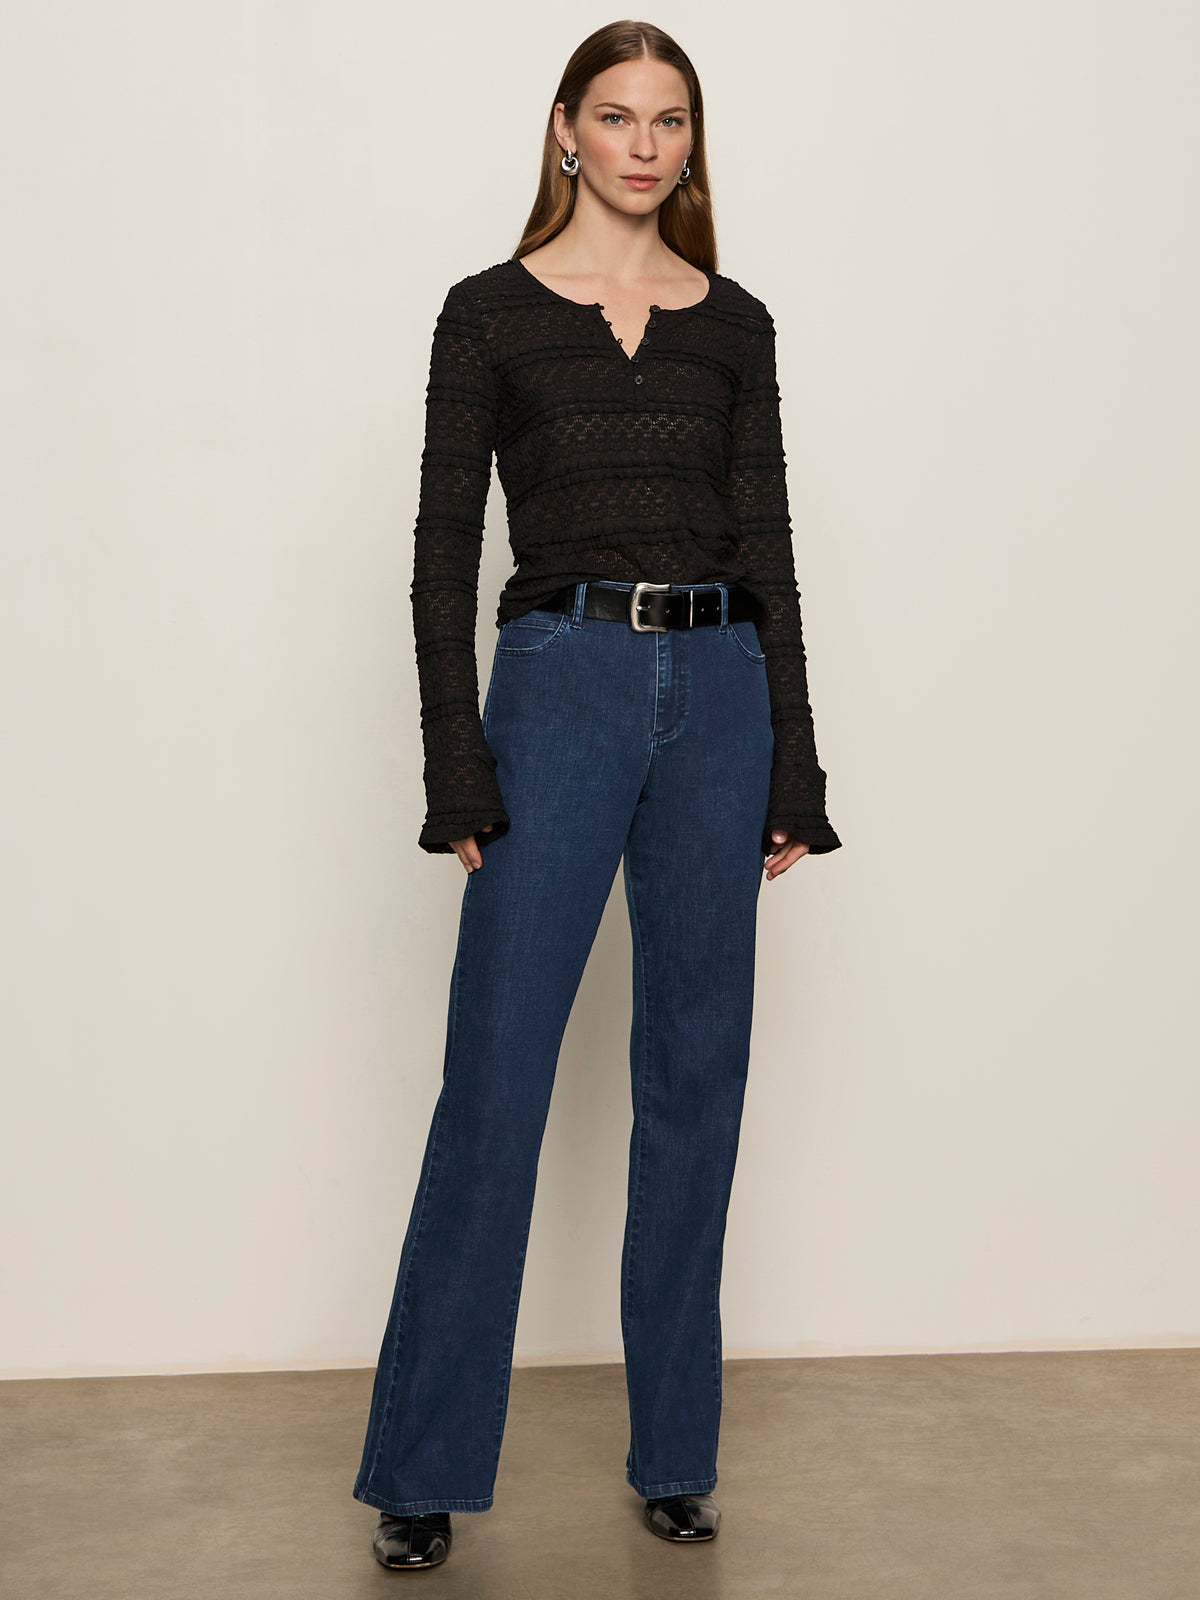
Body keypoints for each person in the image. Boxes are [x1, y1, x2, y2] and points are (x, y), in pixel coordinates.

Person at [352, 19, 843, 1571]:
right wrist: (457, 761)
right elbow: (442, 552)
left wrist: (793, 762)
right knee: (495, 1080)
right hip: (557, 686)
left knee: (695, 1082)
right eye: (618, 116)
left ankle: (676, 1454)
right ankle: (424, 1465)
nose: (645, 143)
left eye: (672, 120)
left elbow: (768, 553)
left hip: (718, 693)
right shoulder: (487, 316)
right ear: (565, 130)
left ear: (693, 144)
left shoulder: (736, 326)